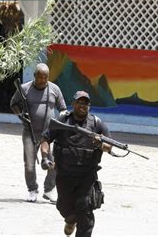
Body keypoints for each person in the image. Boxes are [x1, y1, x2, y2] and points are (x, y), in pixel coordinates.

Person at [39, 91, 113, 237]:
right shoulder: (62, 120)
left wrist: (99, 144)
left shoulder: (97, 124)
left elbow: (109, 147)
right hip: (64, 175)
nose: (82, 105)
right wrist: (45, 157)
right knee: (63, 207)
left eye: (85, 103)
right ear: (73, 104)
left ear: (89, 106)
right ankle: (71, 219)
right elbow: (45, 139)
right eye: (79, 102)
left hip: (87, 176)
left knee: (85, 211)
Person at [10, 63, 67, 203]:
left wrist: (62, 120)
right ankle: (32, 189)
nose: (42, 80)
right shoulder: (24, 89)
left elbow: (63, 109)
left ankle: (48, 190)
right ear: (34, 75)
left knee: (53, 163)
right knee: (29, 164)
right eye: (40, 77)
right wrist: (20, 114)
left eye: (45, 77)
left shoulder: (55, 89)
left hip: (48, 135)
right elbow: (13, 104)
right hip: (30, 132)